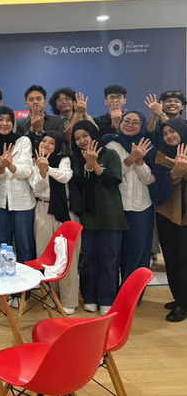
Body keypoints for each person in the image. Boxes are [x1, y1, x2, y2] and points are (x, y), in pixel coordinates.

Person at [69, 120, 126, 315]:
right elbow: (79, 183)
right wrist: (87, 165)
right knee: (89, 258)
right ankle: (90, 297)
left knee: (109, 259)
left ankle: (107, 298)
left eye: (85, 135)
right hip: (88, 216)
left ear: (93, 134)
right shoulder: (76, 159)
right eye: (77, 138)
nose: (82, 140)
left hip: (110, 216)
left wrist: (95, 166)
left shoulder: (110, 154)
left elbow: (113, 180)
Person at [0, 106, 35, 306]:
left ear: (13, 123)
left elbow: (25, 171)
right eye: (0, 119)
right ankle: (4, 289)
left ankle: (23, 293)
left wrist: (7, 166)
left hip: (22, 203)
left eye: (8, 120)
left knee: (24, 247)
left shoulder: (23, 141)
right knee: (1, 249)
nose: (4, 123)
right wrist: (2, 167)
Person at [101, 111, 156, 287]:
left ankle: (132, 295)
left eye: (135, 122)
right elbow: (110, 175)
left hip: (142, 207)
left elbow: (150, 180)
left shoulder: (148, 146)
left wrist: (140, 162)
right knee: (112, 253)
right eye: (127, 121)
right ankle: (110, 295)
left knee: (138, 254)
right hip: (116, 207)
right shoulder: (110, 144)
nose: (130, 125)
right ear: (120, 122)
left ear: (142, 126)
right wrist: (131, 158)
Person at [28, 131, 79, 315]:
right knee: (45, 255)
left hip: (64, 210)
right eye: (44, 141)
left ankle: (69, 300)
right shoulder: (33, 162)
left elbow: (65, 177)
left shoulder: (64, 159)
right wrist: (42, 171)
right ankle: (49, 298)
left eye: (51, 142)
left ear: (57, 146)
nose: (46, 145)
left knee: (67, 257)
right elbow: (37, 187)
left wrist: (47, 168)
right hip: (42, 208)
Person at [152, 119, 187, 322]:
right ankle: (179, 298)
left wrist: (181, 170)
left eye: (172, 131)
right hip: (166, 213)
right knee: (171, 260)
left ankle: (183, 304)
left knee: (183, 261)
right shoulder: (162, 154)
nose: (169, 136)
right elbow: (161, 182)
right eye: (165, 133)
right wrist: (177, 171)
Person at [17, 85, 65, 150]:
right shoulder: (20, 124)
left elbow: (57, 146)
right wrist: (31, 130)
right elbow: (19, 147)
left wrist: (40, 131)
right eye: (31, 100)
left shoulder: (57, 121)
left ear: (45, 102)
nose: (35, 102)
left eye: (38, 99)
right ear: (26, 104)